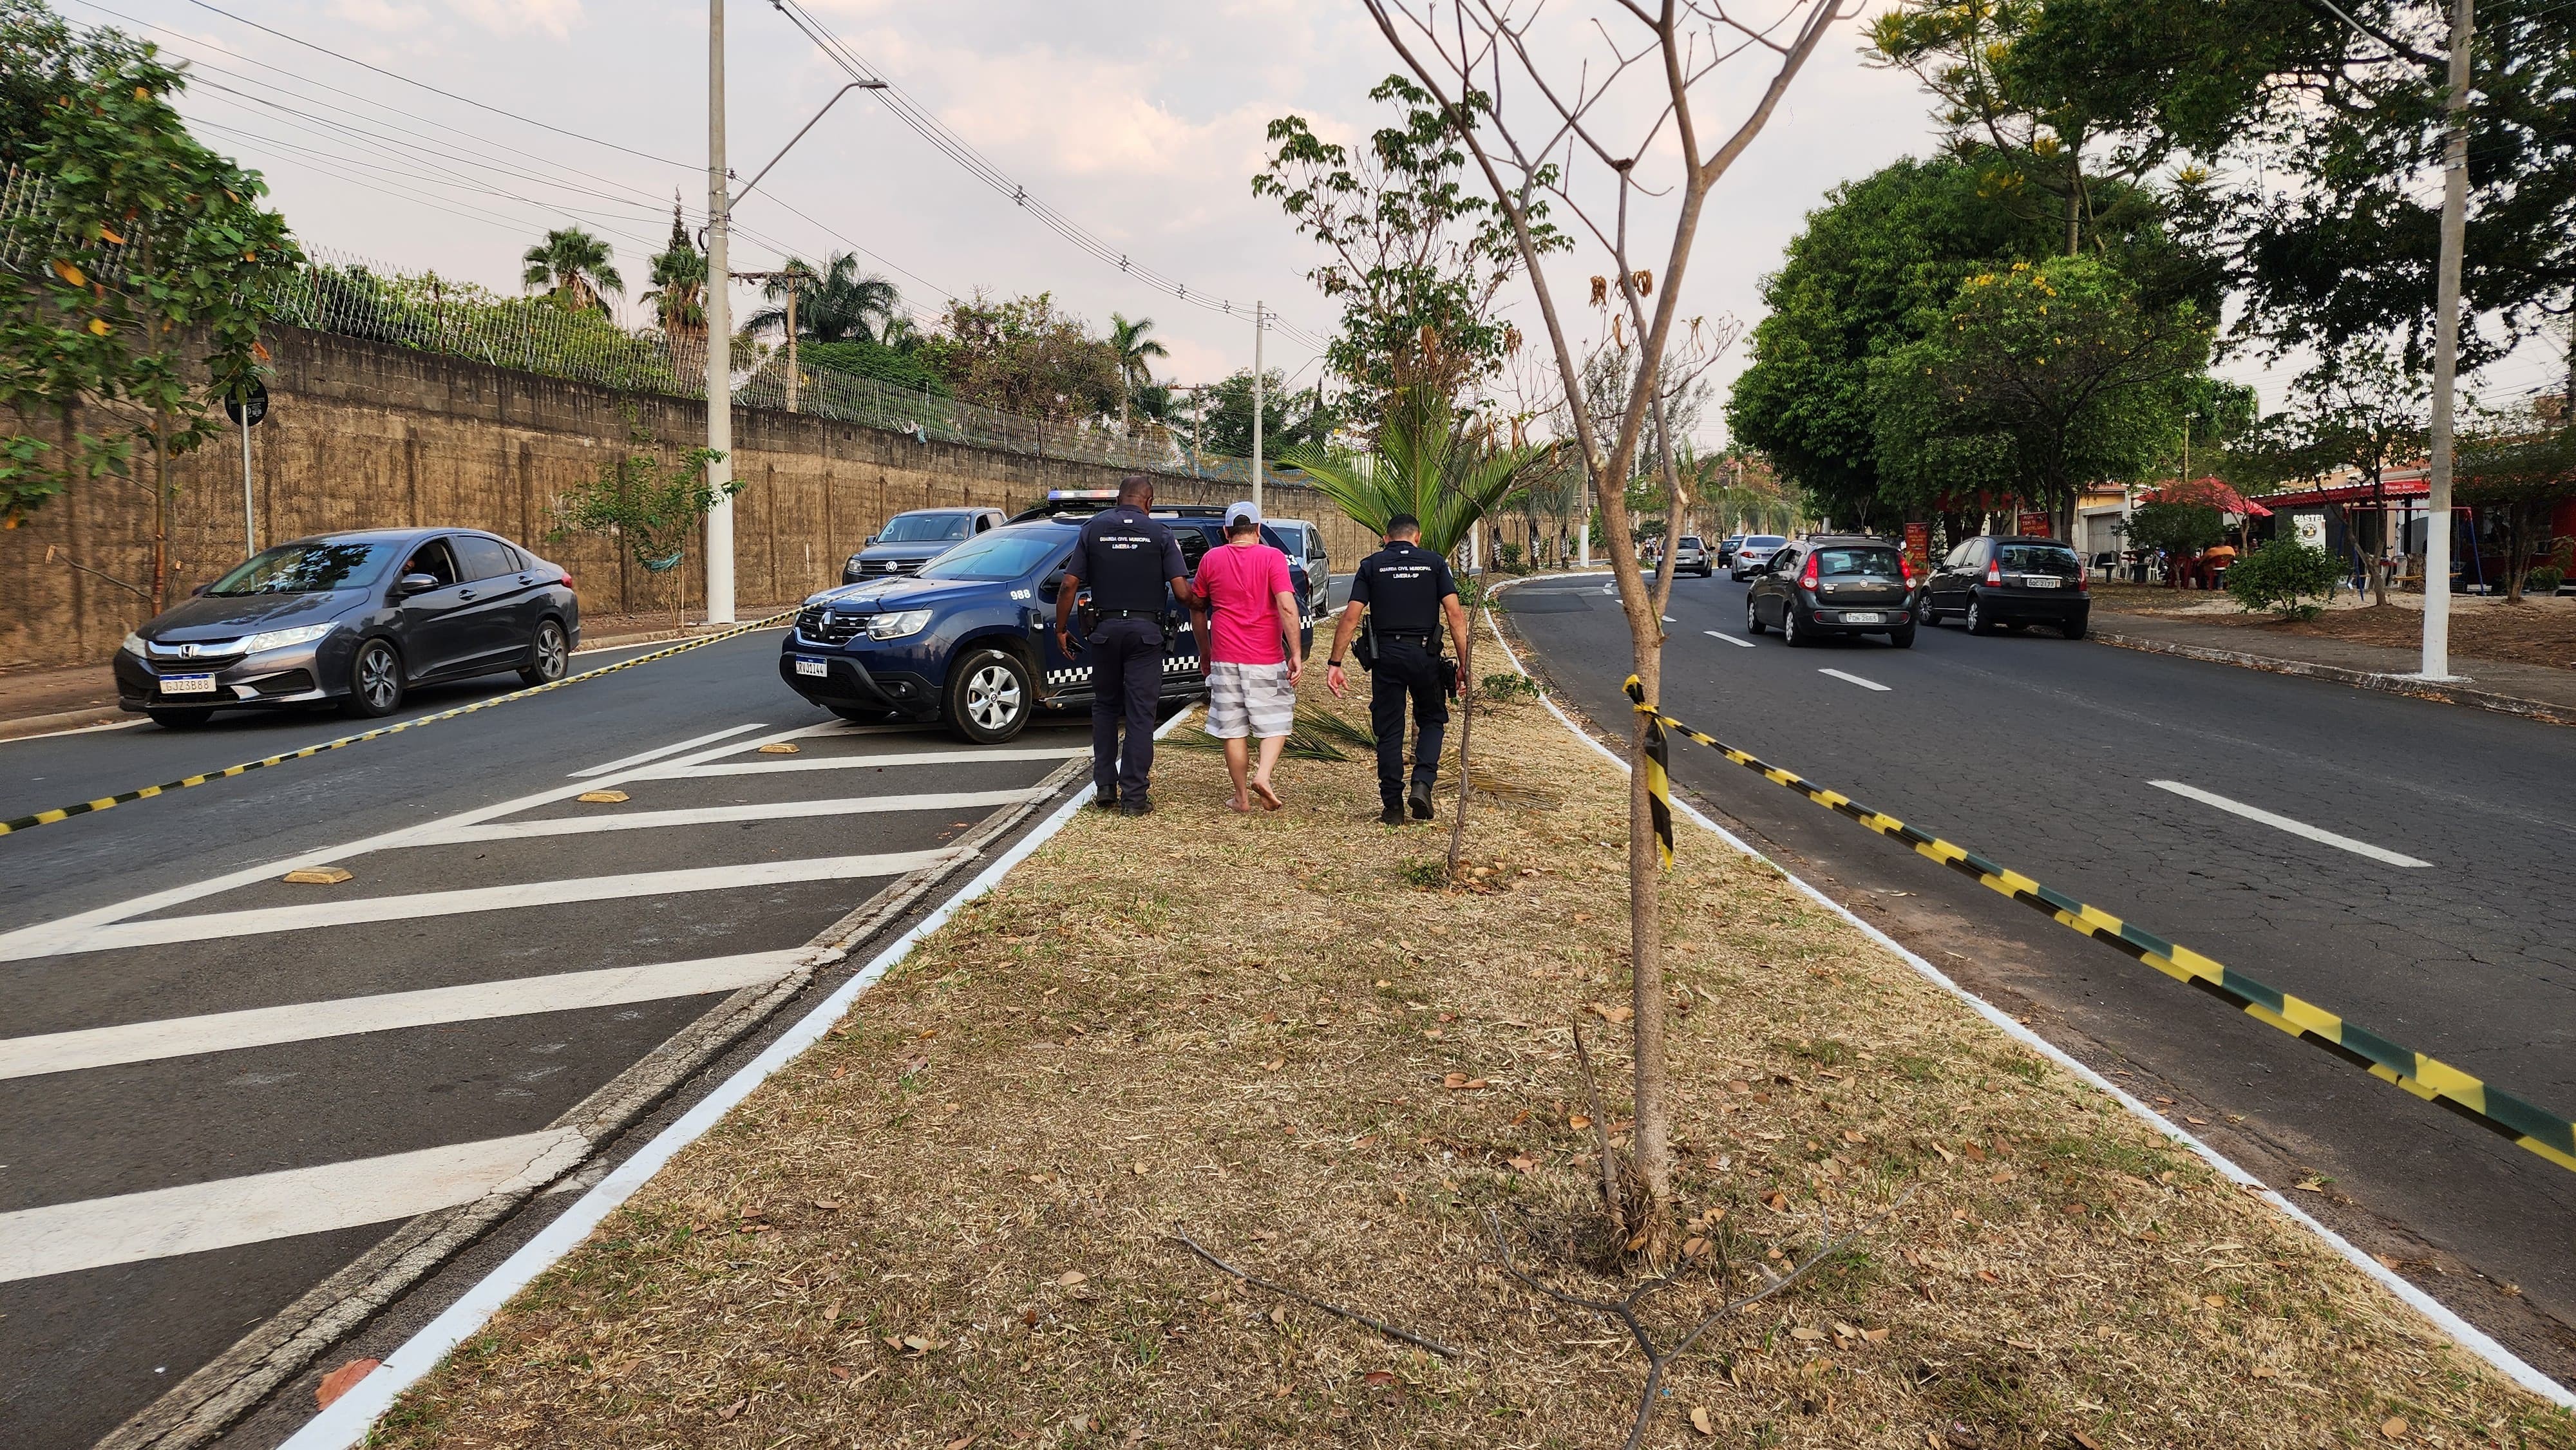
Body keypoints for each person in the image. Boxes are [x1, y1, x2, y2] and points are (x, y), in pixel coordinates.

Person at [1055, 475, 1195, 816]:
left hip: (1104, 631)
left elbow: (1069, 584)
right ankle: (1134, 798)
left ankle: (1104, 785)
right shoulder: (1161, 534)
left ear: (1118, 500)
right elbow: (1181, 592)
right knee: (1140, 714)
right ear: (1149, 502)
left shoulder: (1092, 529)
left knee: (1104, 707)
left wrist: (1061, 628)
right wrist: (1206, 601)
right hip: (1146, 636)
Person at [1325, 513, 1469, 825]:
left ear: (1386, 539)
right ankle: (1422, 783)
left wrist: (1335, 663)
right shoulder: (1434, 563)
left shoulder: (1372, 565)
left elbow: (1351, 616)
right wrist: (1464, 666)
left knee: (1390, 730)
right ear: (1417, 538)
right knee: (1431, 719)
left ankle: (1392, 807)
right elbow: (1455, 615)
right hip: (1425, 656)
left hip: (1386, 658)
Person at [1189, 500, 1303, 812]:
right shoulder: (1273, 557)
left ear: (1226, 531)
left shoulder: (1211, 559)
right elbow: (1287, 606)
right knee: (1277, 721)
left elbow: (1197, 608)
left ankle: (1241, 798)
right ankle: (1263, 775)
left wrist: (1205, 652)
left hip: (1225, 657)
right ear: (1257, 529)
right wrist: (1295, 652)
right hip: (1265, 656)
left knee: (1233, 728)